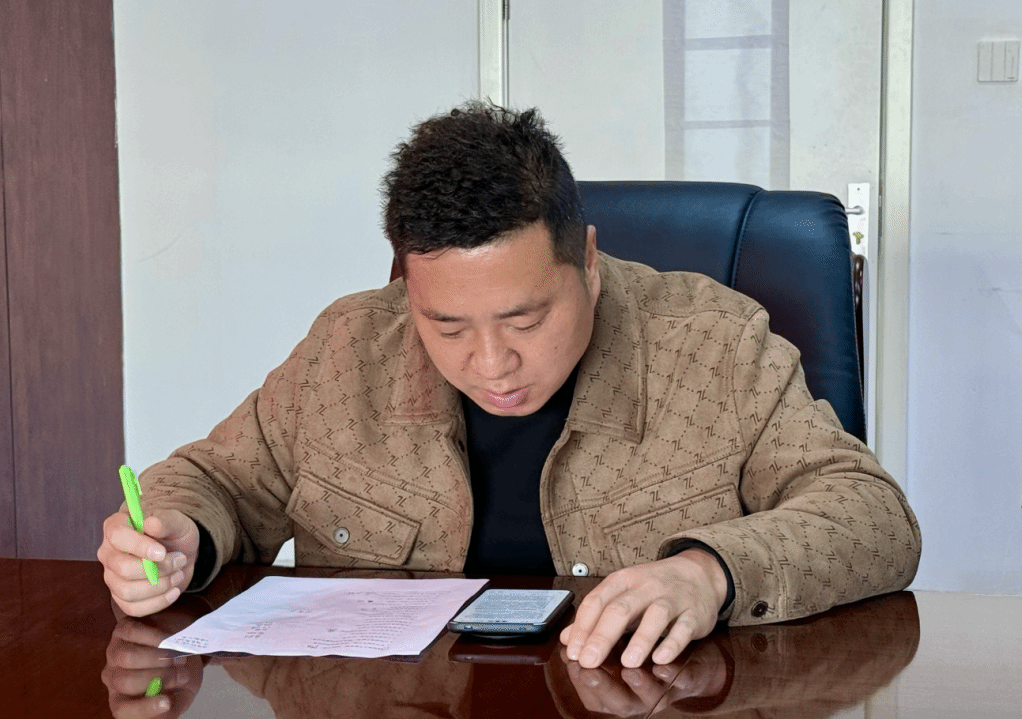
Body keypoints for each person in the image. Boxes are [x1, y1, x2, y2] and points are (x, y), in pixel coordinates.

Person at [98, 103, 921, 669]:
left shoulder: (715, 344)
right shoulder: (346, 348)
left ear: (587, 262)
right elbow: (214, 480)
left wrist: (710, 572)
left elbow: (873, 516)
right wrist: (177, 534)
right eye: (447, 325)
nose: (491, 363)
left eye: (525, 320)